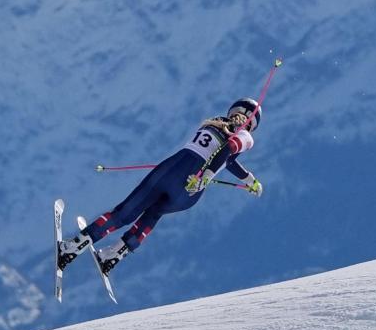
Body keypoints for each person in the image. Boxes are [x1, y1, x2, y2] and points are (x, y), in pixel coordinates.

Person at [58, 98, 264, 274]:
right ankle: (114, 255)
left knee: (125, 213)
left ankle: (73, 248)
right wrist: (246, 180)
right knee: (154, 214)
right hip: (190, 192)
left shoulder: (215, 122)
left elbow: (225, 151)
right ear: (252, 124)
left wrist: (222, 176)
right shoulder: (244, 136)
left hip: (173, 170)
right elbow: (227, 156)